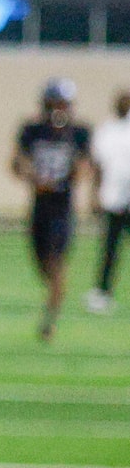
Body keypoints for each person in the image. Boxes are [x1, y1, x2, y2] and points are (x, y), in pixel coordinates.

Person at [14, 78, 92, 341]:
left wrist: (69, 177)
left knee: (56, 264)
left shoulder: (78, 133)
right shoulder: (32, 131)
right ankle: (55, 295)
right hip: (39, 207)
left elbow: (84, 166)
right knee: (42, 265)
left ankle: (49, 321)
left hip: (61, 207)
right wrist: (34, 179)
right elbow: (17, 163)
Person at [88, 89, 130, 315]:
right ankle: (102, 292)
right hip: (113, 199)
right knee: (110, 249)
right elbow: (98, 165)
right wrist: (94, 195)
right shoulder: (107, 131)